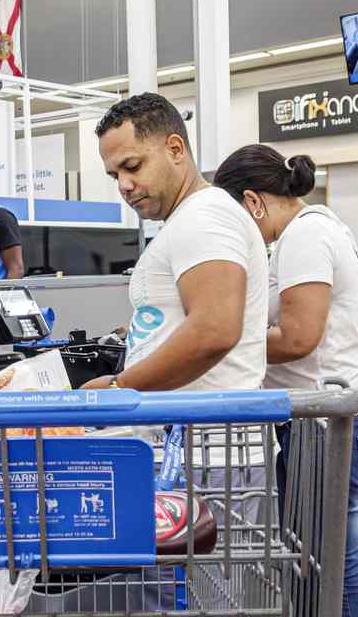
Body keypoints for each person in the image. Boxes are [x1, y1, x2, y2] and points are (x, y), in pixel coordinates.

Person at [214, 144, 358, 617]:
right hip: (316, 424)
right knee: (313, 567)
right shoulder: (306, 234)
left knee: (335, 573)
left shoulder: (305, 239)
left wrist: (223, 348)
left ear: (254, 202)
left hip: (332, 426)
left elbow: (300, 336)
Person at [81, 93, 267, 393]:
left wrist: (120, 387)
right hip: (187, 432)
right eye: (114, 175)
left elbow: (214, 329)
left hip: (209, 435)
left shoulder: (204, 215)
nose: (123, 185)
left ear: (175, 149)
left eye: (133, 166)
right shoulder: (187, 219)